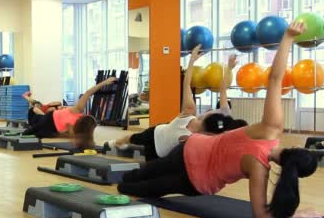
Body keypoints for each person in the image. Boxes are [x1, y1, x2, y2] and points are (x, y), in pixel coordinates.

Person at [117, 21, 322, 218]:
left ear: (295, 147)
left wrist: (288, 37)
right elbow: (262, 216)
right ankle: (126, 185)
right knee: (132, 188)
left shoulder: (270, 129)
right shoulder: (260, 169)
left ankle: (125, 180)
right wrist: (298, 215)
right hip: (194, 180)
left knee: (138, 176)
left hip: (188, 150)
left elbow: (275, 79)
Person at [106, 45, 247, 161]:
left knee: (141, 150)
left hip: (158, 150)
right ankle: (115, 143)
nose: (206, 113)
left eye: (207, 115)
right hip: (157, 133)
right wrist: (227, 68)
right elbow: (220, 87)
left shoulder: (204, 136)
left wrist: (193, 60)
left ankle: (119, 144)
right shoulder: (194, 113)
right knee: (132, 138)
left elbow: (188, 85)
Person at [21, 77, 118, 149]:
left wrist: (105, 82)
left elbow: (88, 92)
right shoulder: (78, 128)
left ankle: (28, 102)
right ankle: (29, 104)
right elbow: (72, 136)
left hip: (47, 121)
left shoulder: (78, 112)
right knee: (34, 125)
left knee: (34, 125)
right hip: (47, 124)